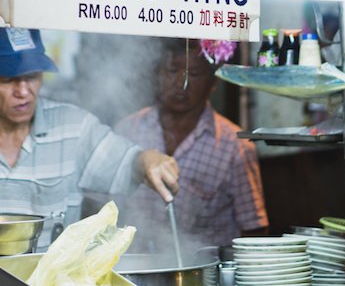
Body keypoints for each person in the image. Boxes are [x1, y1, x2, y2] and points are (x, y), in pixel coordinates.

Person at [0, 19, 179, 250]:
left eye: (32, 76)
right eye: (8, 79)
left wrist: (147, 160)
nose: (23, 91)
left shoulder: (74, 128)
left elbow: (128, 163)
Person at [114, 38, 268, 252]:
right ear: (157, 75)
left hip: (203, 272)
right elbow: (102, 207)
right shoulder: (126, 131)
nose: (181, 83)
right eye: (172, 70)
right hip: (135, 267)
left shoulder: (236, 146)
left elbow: (253, 228)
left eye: (193, 74)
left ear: (213, 82)